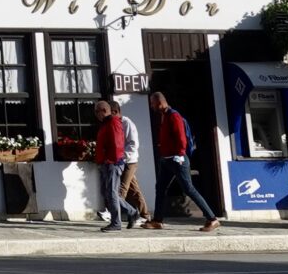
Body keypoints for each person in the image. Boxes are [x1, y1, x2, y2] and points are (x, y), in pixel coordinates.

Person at [149, 90, 220, 232]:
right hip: (166, 160)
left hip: (177, 160)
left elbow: (181, 139)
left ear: (160, 102)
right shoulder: (164, 116)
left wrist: (180, 155)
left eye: (152, 103)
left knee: (188, 189)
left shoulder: (174, 116)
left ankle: (212, 219)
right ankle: (157, 220)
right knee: (160, 188)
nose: (151, 106)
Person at [93, 98, 141, 231]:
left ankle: (116, 222)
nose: (96, 115)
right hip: (107, 162)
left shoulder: (113, 122)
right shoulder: (106, 123)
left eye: (97, 112)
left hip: (112, 163)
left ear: (104, 111)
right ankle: (132, 212)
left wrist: (111, 160)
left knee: (112, 193)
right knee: (108, 193)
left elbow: (117, 143)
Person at [118, 101, 159, 229]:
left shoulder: (127, 123)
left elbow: (133, 144)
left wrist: (122, 155)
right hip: (123, 160)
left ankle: (113, 213)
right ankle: (145, 215)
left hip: (130, 160)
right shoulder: (116, 123)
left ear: (114, 112)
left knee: (122, 189)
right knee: (134, 190)